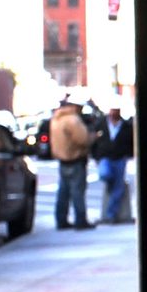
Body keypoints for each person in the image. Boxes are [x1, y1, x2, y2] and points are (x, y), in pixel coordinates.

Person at [49, 98, 92, 230]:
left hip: (62, 160)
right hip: (75, 159)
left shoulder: (56, 119)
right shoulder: (73, 120)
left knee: (63, 192)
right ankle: (80, 220)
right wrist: (92, 138)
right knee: (77, 191)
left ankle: (61, 219)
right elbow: (83, 139)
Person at [95, 107, 134, 224]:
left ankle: (111, 215)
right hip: (105, 157)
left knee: (118, 187)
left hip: (119, 158)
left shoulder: (126, 126)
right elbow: (95, 140)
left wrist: (128, 154)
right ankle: (109, 184)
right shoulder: (101, 124)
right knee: (105, 174)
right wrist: (96, 156)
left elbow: (131, 142)